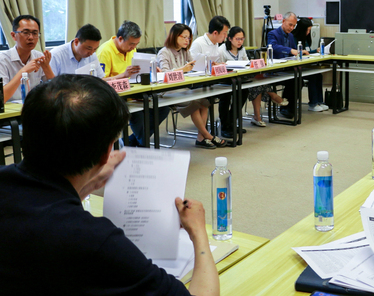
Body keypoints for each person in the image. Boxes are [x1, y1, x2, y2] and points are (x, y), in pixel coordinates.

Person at [0, 74, 219, 295]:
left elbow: (49, 200)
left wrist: (88, 183)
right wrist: (198, 232)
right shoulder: (95, 240)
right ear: (107, 152)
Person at [97, 20, 169, 147]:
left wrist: (151, 70)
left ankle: (131, 142)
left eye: (136, 44)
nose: (133, 47)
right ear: (120, 39)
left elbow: (136, 72)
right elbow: (100, 82)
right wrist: (123, 75)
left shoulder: (131, 48)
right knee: (139, 115)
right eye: (131, 44)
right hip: (116, 97)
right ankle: (143, 146)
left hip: (134, 92)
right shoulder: (105, 51)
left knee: (163, 108)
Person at [157, 23, 229, 148]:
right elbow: (163, 75)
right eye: (184, 37)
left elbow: (195, 65)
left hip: (182, 88)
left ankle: (200, 138)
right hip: (167, 90)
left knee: (204, 102)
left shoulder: (184, 51)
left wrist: (210, 65)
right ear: (174, 36)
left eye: (188, 38)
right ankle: (208, 136)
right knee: (194, 103)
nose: (187, 40)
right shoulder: (164, 52)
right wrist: (182, 69)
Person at [219, 26, 287, 133]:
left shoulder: (242, 49)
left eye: (242, 39)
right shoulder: (222, 50)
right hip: (225, 81)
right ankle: (225, 126)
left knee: (246, 90)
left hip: (239, 79)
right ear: (230, 38)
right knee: (227, 97)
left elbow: (247, 63)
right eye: (237, 39)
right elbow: (219, 68)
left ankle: (231, 123)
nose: (240, 41)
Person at [0, 15, 54, 102]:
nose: (31, 37)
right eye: (25, 32)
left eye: (35, 33)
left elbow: (56, 91)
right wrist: (23, 71)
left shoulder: (39, 56)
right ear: (13, 35)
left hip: (32, 107)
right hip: (9, 109)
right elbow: (2, 98)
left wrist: (46, 67)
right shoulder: (2, 60)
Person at [292, 17, 328, 112]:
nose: (308, 32)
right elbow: (296, 53)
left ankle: (320, 101)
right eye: (307, 30)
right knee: (313, 76)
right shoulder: (294, 38)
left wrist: (315, 51)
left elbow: (307, 52)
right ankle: (313, 104)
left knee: (318, 75)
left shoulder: (306, 38)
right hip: (295, 67)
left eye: (310, 30)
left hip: (305, 65)